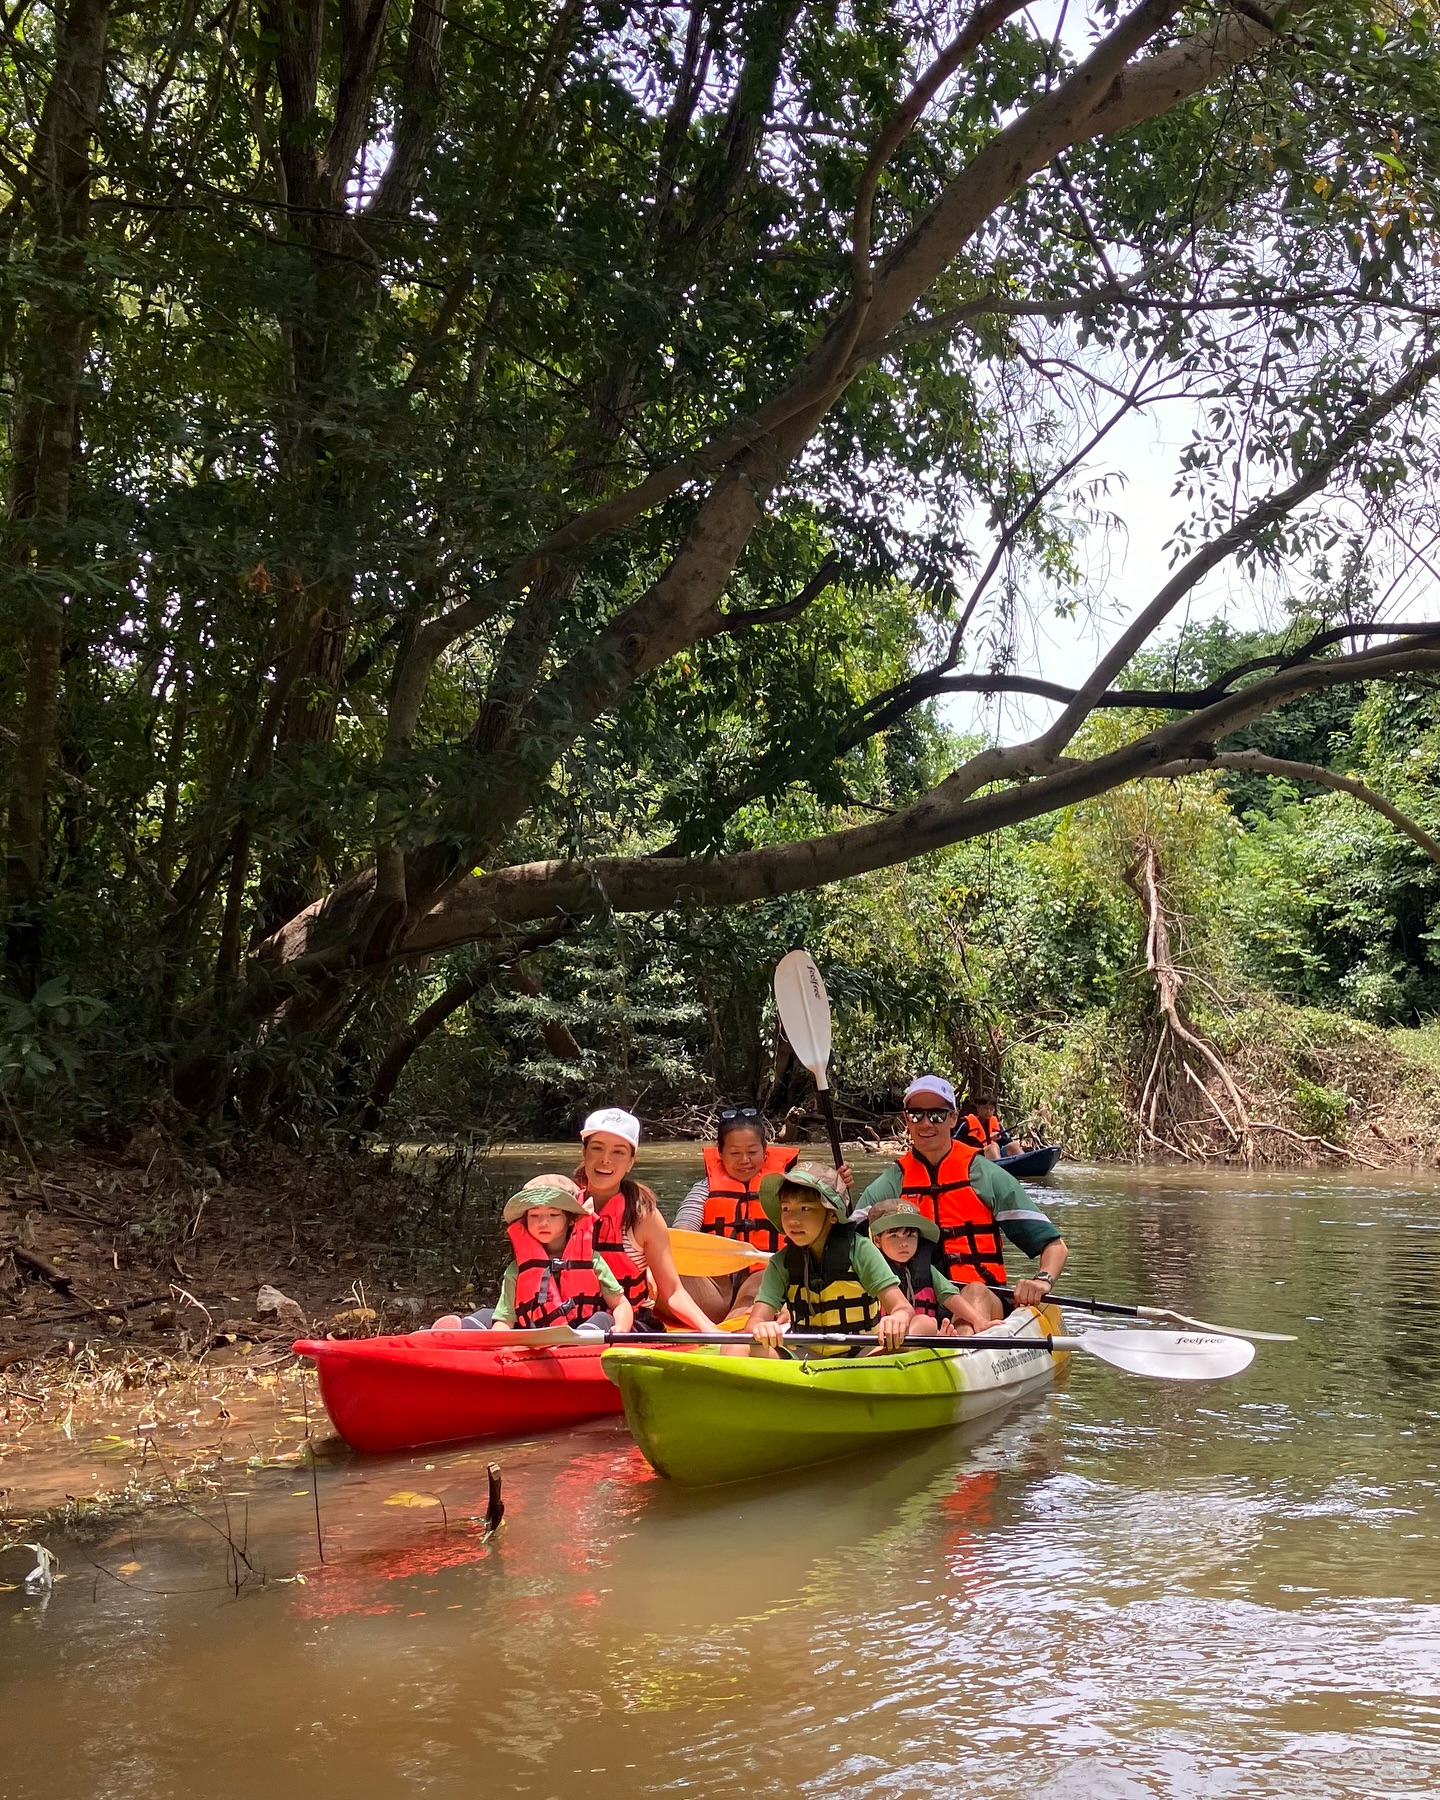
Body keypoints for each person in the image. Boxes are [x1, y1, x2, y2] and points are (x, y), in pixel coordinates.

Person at [856, 1075, 1066, 1330]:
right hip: (916, 1302)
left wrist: (1042, 1280)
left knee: (974, 1292)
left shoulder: (986, 1176)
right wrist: (838, 1192)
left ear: (954, 1118)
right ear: (906, 1119)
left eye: (936, 1115)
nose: (925, 1123)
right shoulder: (891, 1183)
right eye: (916, 1115)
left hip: (984, 1298)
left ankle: (962, 1351)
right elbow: (846, 1242)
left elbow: (1054, 1246)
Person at [747, 1164, 913, 1357]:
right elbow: (756, 1319)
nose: (793, 1219)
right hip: (804, 1356)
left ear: (832, 1215)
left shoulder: (860, 1250)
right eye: (786, 1208)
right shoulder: (782, 1261)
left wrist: (897, 1319)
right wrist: (761, 1328)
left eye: (805, 1208)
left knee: (923, 1325)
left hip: (864, 1354)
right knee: (738, 1346)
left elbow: (902, 1307)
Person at [574, 1105, 715, 1332]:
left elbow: (673, 1292)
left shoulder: (643, 1217)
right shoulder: (564, 1208)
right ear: (584, 1152)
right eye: (597, 1148)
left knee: (601, 1319)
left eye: (618, 1152)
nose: (605, 1160)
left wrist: (713, 1331)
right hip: (570, 1320)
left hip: (628, 1325)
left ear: (631, 1161)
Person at [434, 1175, 636, 1332]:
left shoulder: (592, 1260)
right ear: (525, 1221)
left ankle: (579, 1342)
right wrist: (500, 1338)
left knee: (603, 1318)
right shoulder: (518, 1269)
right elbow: (505, 1318)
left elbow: (620, 1304)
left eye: (553, 1214)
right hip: (534, 1330)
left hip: (582, 1331)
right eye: (535, 1215)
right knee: (488, 1316)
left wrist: (622, 1329)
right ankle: (462, 1330)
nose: (543, 1222)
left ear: (571, 1219)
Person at [672, 1105, 799, 1322]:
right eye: (734, 1153)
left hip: (766, 1274)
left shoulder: (790, 1187)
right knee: (667, 1263)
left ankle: (739, 1323)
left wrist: (838, 1188)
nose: (744, 1160)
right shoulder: (704, 1189)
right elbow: (681, 1232)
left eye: (752, 1152)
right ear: (720, 1153)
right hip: (714, 1282)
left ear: (765, 1149)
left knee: (754, 1288)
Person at [866, 1198, 976, 1338]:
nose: (904, 1243)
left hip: (921, 1336)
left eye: (911, 1236)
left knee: (927, 1323)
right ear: (877, 1240)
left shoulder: (926, 1269)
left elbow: (950, 1297)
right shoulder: (868, 1267)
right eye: (894, 1236)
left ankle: (933, 1337)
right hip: (879, 1337)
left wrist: (978, 1320)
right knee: (926, 1323)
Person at [958, 1094, 1004, 1160]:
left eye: (991, 1109)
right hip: (975, 1156)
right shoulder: (966, 1125)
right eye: (985, 1108)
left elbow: (1007, 1140)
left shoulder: (998, 1125)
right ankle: (999, 1167)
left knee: (1014, 1145)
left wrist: (1000, 1137)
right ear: (978, 1108)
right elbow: (955, 1141)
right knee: (993, 1147)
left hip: (995, 1154)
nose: (988, 1111)